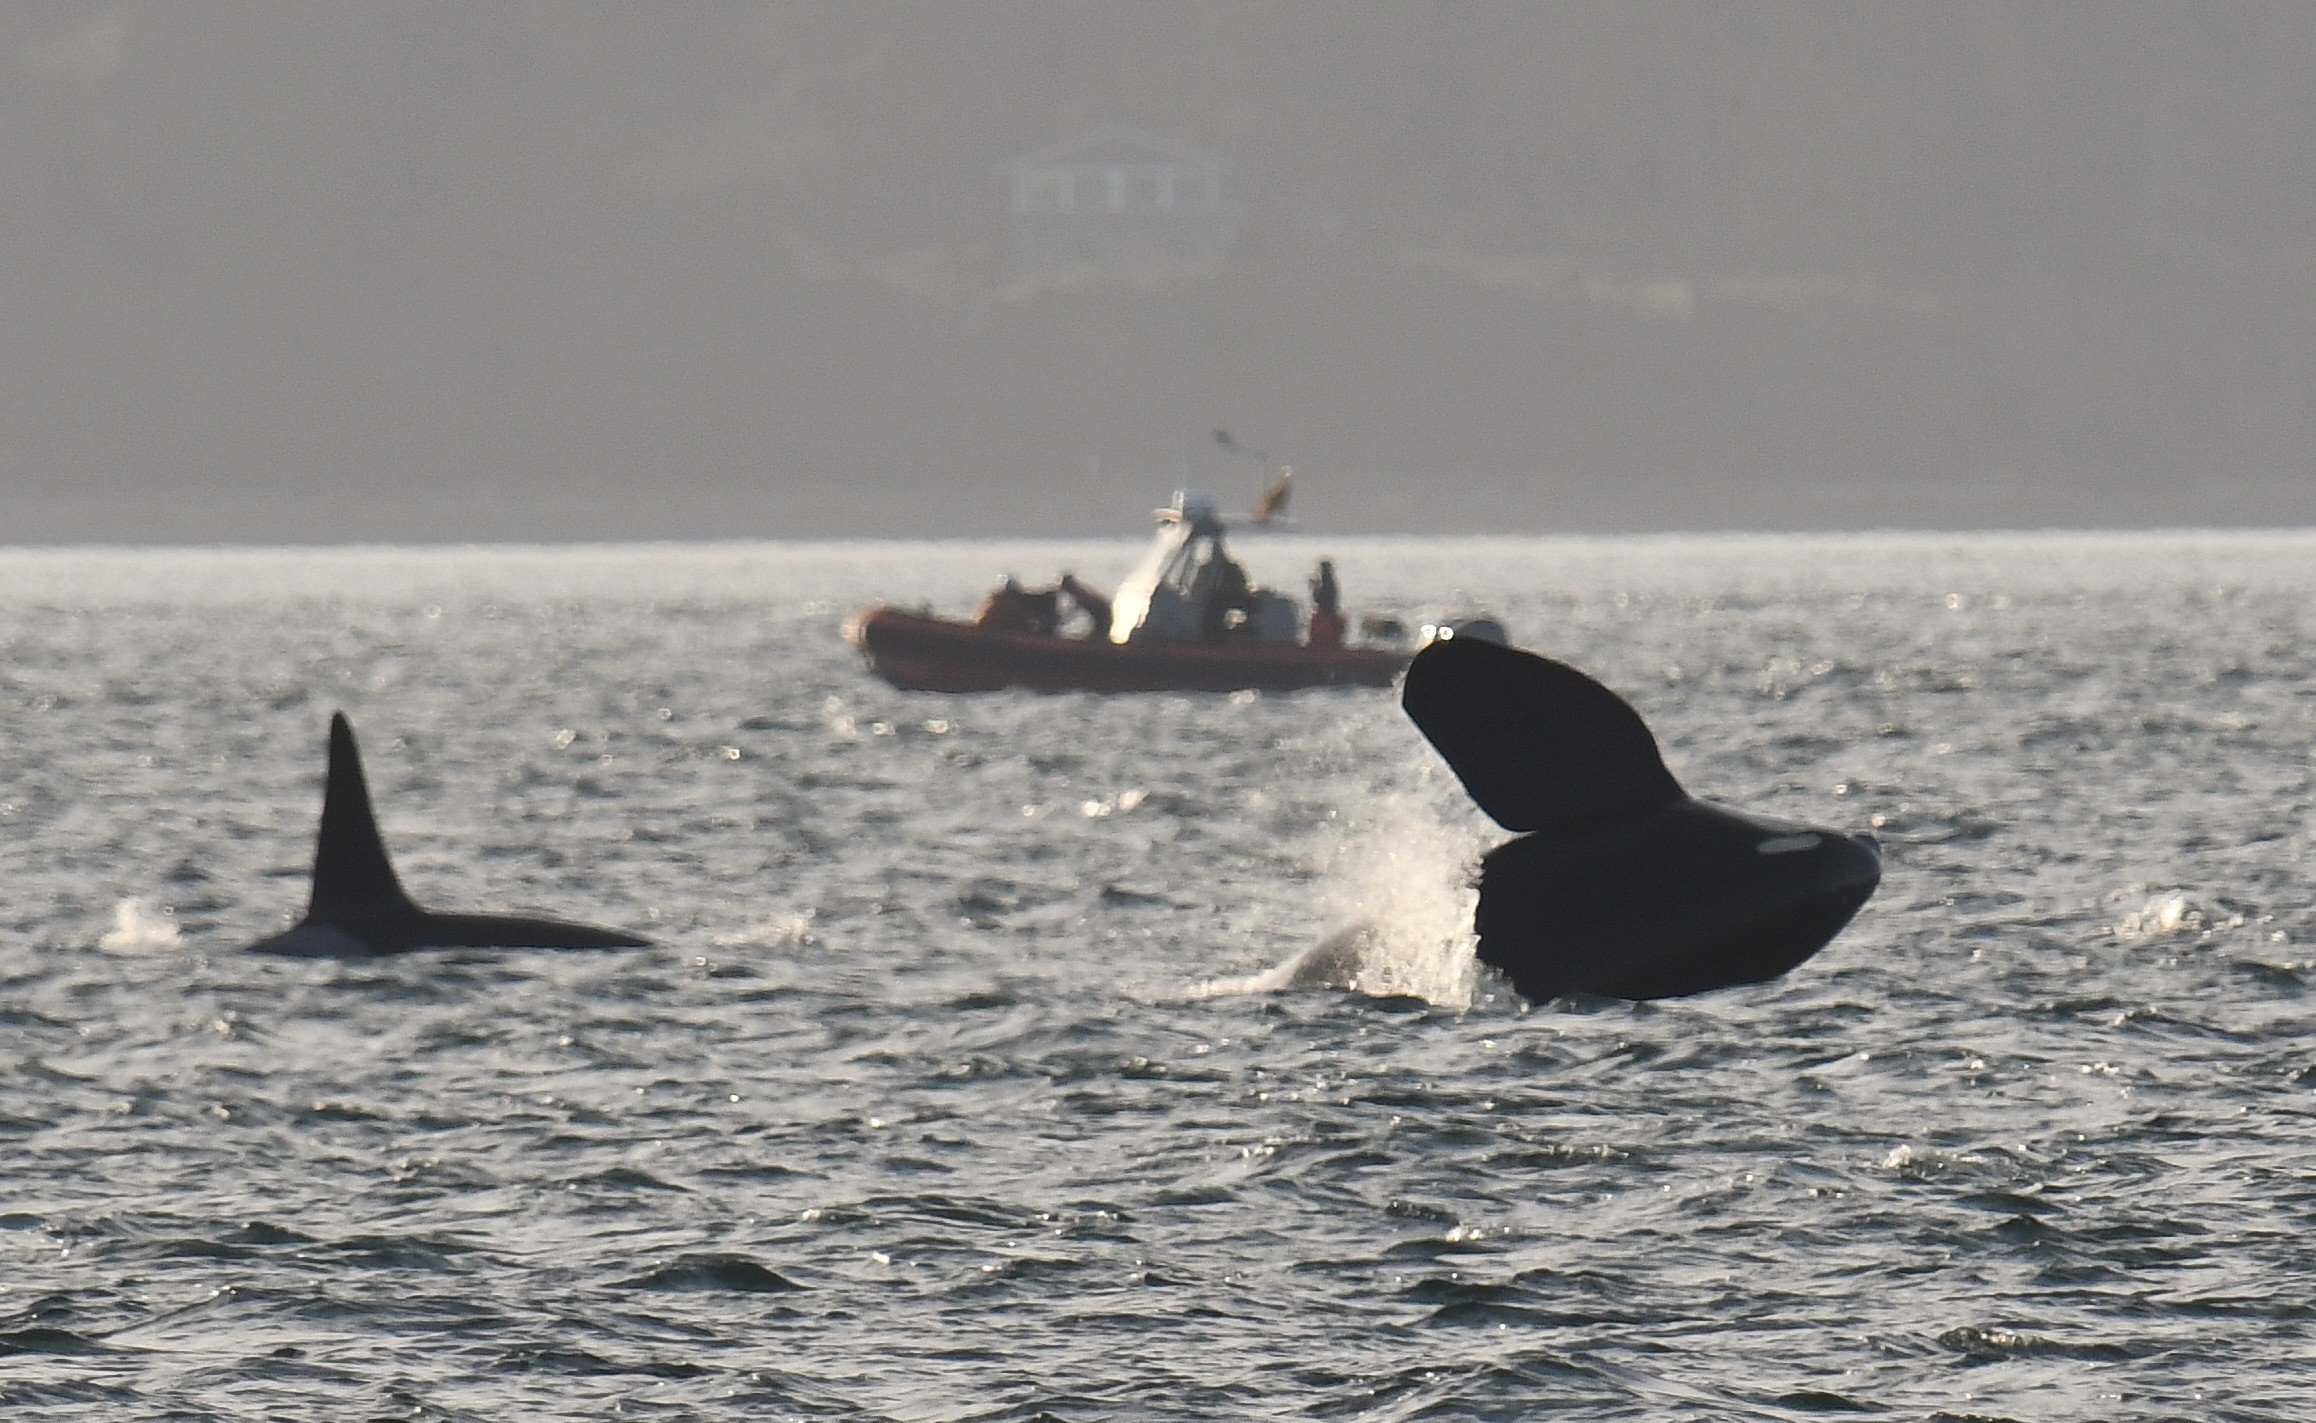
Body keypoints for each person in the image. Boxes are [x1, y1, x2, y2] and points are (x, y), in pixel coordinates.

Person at [973, 576, 1061, 637]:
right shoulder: (1007, 603)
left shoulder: (995, 600)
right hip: (995, 634)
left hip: (994, 632)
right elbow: (1025, 617)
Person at [1057, 572, 1113, 640]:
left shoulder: (1081, 595)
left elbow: (1072, 613)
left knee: (1095, 639)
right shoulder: (1080, 594)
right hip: (1102, 615)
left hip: (1104, 617)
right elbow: (1072, 613)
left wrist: (1060, 622)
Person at [1307, 558, 1346, 648]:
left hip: (1325, 614)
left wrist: (1314, 587)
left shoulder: (1326, 583)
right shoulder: (1331, 582)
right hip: (1331, 612)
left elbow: (1318, 599)